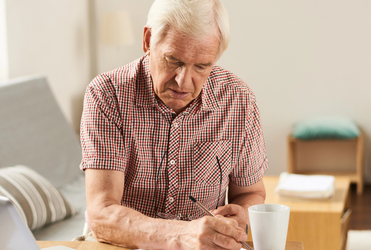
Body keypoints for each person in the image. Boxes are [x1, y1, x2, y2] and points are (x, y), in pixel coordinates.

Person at [80, 0, 268, 249]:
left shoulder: (239, 100)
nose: (183, 82)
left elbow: (250, 193)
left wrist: (241, 215)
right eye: (173, 61)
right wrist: (182, 235)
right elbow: (102, 213)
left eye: (201, 66)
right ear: (148, 41)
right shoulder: (107, 95)